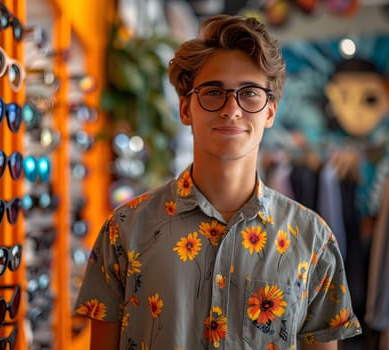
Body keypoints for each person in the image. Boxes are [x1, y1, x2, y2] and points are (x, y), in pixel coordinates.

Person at [75, 14, 362, 349]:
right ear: (185, 108)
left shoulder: (313, 240)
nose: (231, 109)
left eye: (250, 93)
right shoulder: (125, 230)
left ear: (270, 111)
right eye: (213, 92)